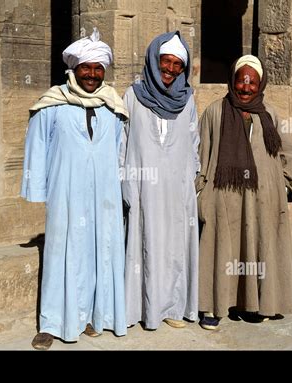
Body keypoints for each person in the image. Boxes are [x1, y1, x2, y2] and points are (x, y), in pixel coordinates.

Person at [21, 28, 129, 349]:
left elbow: (120, 152)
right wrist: (38, 190)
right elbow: (37, 147)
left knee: (101, 249)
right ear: (74, 69)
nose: (92, 75)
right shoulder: (52, 104)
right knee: (60, 252)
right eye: (86, 68)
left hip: (104, 195)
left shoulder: (114, 107)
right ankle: (52, 323)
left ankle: (95, 316)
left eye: (98, 69)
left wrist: (122, 191)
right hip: (65, 193)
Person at [196, 55, 292, 330]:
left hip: (263, 196)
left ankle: (255, 304)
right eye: (240, 81)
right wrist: (198, 191)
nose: (245, 88)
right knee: (222, 248)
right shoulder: (214, 112)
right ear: (232, 81)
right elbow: (201, 153)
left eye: (252, 83)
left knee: (257, 248)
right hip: (225, 194)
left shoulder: (270, 114)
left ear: (260, 84)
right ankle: (214, 307)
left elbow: (286, 152)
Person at [121, 31, 199, 330]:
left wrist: (189, 179)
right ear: (154, 61)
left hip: (176, 190)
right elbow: (123, 142)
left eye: (177, 65)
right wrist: (125, 181)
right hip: (143, 187)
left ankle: (171, 307)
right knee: (143, 244)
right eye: (165, 62)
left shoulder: (188, 100)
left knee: (173, 247)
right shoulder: (133, 96)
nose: (170, 69)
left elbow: (194, 143)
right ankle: (138, 309)